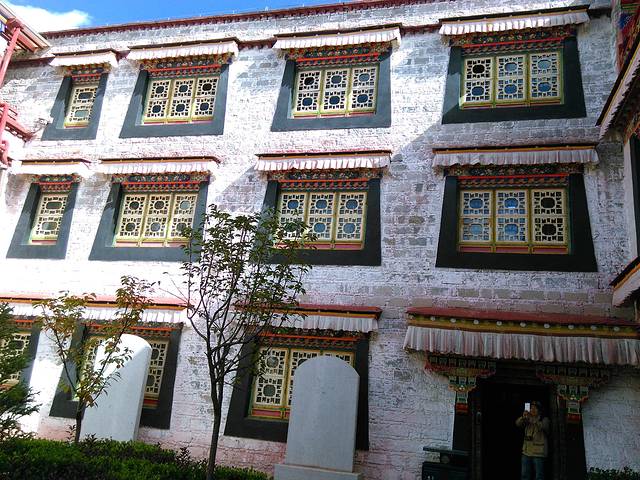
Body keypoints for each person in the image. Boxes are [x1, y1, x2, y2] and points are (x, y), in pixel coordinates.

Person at [516, 401, 550, 480]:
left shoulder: (544, 419)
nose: (532, 410)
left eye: (535, 408)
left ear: (539, 410)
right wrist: (523, 417)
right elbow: (518, 423)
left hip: (538, 452)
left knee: (539, 476)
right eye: (531, 408)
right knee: (524, 475)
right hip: (526, 451)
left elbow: (545, 427)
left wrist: (533, 419)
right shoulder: (527, 418)